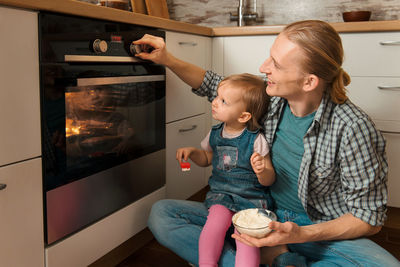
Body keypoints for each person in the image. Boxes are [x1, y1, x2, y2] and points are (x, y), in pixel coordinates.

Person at [134, 20, 400, 266]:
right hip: (254, 212)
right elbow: (214, 84)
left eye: (276, 63)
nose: (263, 67)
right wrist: (167, 59)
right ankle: (264, 257)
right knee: (163, 214)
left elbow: (368, 218)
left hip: (314, 228)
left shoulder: (353, 128)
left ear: (309, 81)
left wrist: (298, 234)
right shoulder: (269, 99)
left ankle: (269, 256)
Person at [176, 73, 275, 267]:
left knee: (246, 239)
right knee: (214, 225)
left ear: (244, 116)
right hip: (221, 196)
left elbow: (269, 179)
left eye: (223, 101)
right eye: (216, 97)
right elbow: (207, 159)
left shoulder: (256, 139)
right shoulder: (215, 133)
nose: (214, 103)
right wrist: (193, 153)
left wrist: (262, 170)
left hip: (250, 200)